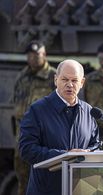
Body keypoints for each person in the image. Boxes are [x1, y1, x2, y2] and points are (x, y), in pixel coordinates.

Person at [19, 59, 100, 195]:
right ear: (56, 80)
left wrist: (88, 154)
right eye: (64, 79)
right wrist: (65, 156)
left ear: (82, 83)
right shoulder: (37, 110)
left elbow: (95, 144)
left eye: (74, 80)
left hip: (80, 189)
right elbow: (26, 149)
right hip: (46, 190)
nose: (69, 85)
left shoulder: (88, 111)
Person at [12, 40, 56, 195]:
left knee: (45, 177)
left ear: (44, 55)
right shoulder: (22, 76)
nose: (34, 58)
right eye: (31, 55)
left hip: (43, 134)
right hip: (23, 133)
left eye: (37, 54)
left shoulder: (53, 77)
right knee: (23, 177)